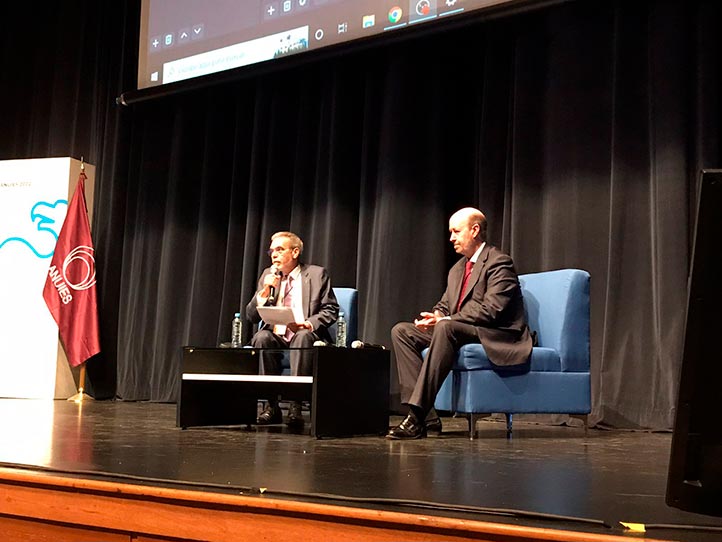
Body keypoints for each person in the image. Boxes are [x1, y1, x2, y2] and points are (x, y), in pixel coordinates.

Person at [387, 207, 533, 439]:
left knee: (446, 326)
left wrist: (444, 320)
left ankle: (416, 416)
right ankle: (430, 418)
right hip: (461, 328)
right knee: (403, 331)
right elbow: (446, 305)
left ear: (475, 230)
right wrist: (435, 315)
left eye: (456, 231)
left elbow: (491, 310)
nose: (451, 238)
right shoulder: (458, 269)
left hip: (495, 333)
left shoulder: (499, 262)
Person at [246, 231, 339, 428]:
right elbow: (251, 316)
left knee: (303, 336)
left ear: (295, 252)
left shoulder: (316, 274)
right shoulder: (267, 276)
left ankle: (296, 404)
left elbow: (330, 309)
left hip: (304, 333)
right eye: (272, 251)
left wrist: (309, 323)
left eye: (280, 250)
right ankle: (271, 407)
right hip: (276, 335)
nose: (274, 255)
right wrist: (263, 293)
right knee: (261, 337)